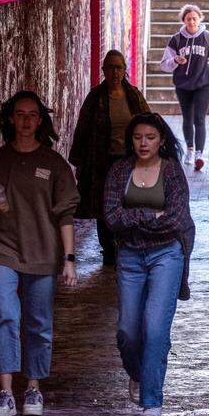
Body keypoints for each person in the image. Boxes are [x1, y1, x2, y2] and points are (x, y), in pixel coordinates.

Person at [0, 91, 80, 416]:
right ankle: (5, 392)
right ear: (10, 118)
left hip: (42, 252)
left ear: (40, 120)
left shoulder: (53, 164)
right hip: (1, 249)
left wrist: (69, 258)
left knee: (38, 322)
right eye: (19, 114)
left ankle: (33, 386)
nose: (25, 121)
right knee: (4, 313)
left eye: (32, 115)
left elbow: (65, 214)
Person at [103, 113, 196, 416]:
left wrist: (136, 218)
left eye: (150, 137)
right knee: (127, 331)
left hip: (166, 256)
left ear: (162, 140)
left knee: (155, 327)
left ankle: (152, 401)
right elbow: (112, 217)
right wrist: (149, 217)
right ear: (131, 140)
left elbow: (176, 218)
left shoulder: (171, 172)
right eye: (138, 137)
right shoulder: (119, 171)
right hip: (129, 257)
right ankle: (139, 373)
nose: (143, 143)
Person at [70, 50, 151, 266]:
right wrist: (79, 162)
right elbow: (83, 130)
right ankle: (108, 250)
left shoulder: (134, 96)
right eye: (110, 67)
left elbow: (149, 123)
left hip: (129, 162)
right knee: (105, 207)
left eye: (119, 67)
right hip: (102, 162)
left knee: (130, 204)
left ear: (125, 71)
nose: (115, 72)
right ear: (104, 70)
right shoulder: (95, 98)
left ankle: (127, 246)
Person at [160, 4, 209, 172]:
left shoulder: (208, 37)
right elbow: (164, 64)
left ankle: (200, 154)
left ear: (200, 18)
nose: (192, 22)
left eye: (194, 18)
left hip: (203, 83)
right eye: (188, 19)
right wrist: (175, 61)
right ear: (183, 21)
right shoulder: (176, 39)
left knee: (199, 118)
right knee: (187, 118)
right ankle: (190, 150)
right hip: (183, 84)